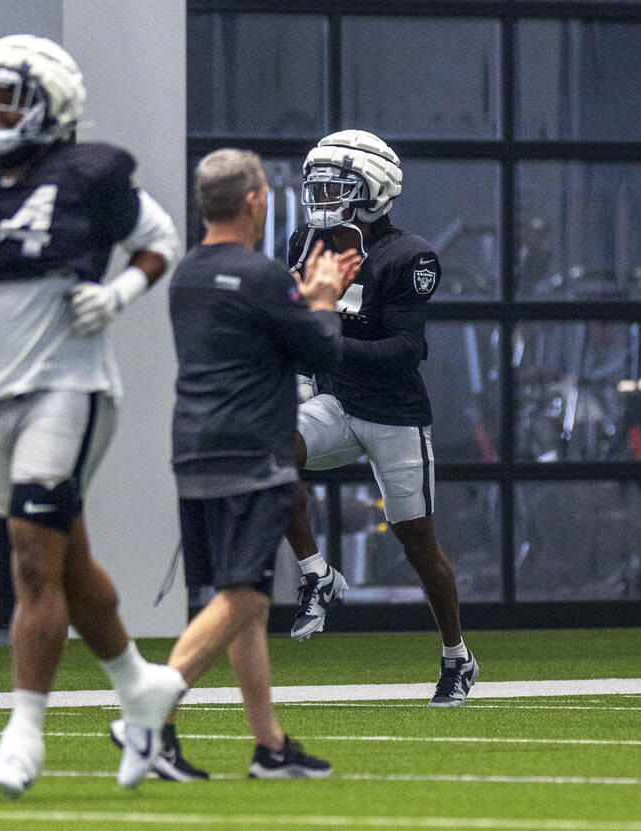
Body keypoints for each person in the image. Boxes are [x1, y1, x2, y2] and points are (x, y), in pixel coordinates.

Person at [0, 35, 185, 796]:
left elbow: (159, 240)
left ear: (53, 104)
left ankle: (24, 734)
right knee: (60, 558)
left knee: (29, 558)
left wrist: (117, 294)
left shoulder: (88, 174)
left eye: (8, 99)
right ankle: (138, 683)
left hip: (70, 384)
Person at [135, 148, 355, 778]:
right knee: (244, 596)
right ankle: (151, 715)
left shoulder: (185, 274)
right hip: (253, 456)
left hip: (195, 451)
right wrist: (323, 297)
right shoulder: (261, 277)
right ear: (255, 200)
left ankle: (271, 746)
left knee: (244, 601)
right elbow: (323, 349)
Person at [283, 130, 477, 707]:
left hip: (394, 411)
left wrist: (327, 345)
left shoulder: (408, 255)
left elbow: (404, 351)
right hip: (337, 402)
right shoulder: (305, 245)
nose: (321, 195)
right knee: (270, 451)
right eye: (316, 184)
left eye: (335, 185)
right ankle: (317, 572)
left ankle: (456, 656)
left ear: (374, 190)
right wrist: (299, 371)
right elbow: (299, 334)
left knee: (419, 546)